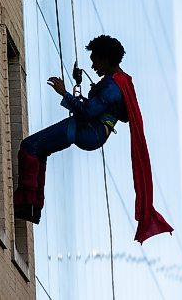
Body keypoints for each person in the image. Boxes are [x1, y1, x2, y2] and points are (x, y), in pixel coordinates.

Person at [13, 35, 173, 243]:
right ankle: (32, 205)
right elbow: (113, 113)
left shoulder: (113, 86)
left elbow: (88, 112)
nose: (93, 65)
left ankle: (27, 202)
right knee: (39, 149)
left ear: (106, 59)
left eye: (95, 59)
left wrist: (64, 93)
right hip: (93, 131)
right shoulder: (120, 82)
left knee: (29, 146)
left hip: (90, 131)